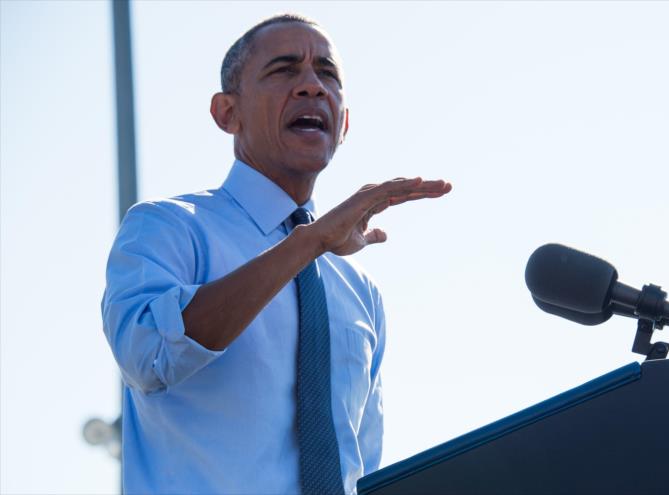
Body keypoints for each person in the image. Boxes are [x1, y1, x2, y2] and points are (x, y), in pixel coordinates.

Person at [101, 13, 451, 495]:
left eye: (327, 74)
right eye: (285, 70)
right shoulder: (168, 228)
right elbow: (149, 355)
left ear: (344, 123)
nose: (312, 86)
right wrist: (309, 243)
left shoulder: (359, 291)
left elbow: (361, 467)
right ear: (227, 113)